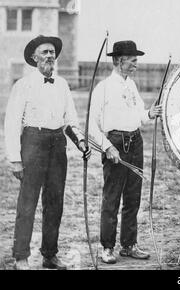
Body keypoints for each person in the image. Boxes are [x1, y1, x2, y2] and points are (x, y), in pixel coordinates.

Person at [4, 35, 90, 270]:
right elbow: (11, 124)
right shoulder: (22, 85)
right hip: (33, 143)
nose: (50, 56)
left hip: (57, 145)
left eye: (52, 52)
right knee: (27, 204)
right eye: (45, 52)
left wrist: (80, 142)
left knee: (55, 203)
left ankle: (49, 255)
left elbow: (70, 119)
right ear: (34, 58)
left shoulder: (62, 84)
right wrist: (15, 159)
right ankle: (20, 256)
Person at [89, 40, 162, 264]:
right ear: (119, 61)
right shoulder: (103, 88)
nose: (136, 64)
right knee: (111, 199)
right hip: (115, 144)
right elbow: (91, 126)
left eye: (136, 60)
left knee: (133, 198)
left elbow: (140, 115)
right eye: (132, 60)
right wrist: (108, 147)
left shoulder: (131, 86)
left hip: (135, 142)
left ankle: (129, 245)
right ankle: (107, 248)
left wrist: (151, 112)